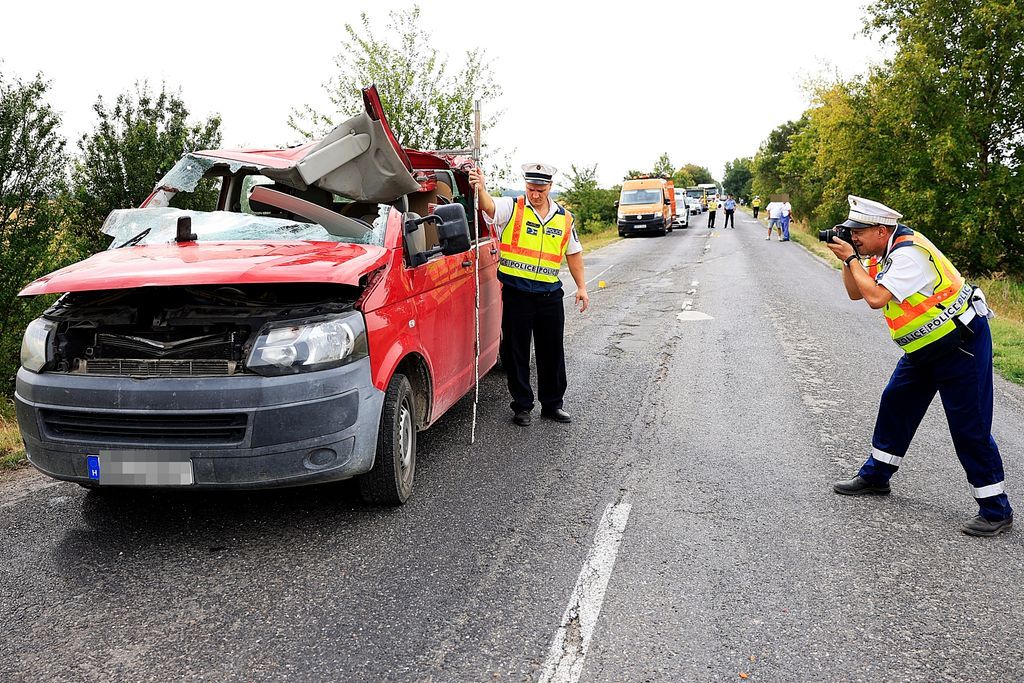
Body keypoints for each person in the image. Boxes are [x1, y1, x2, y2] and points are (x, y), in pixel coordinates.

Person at [826, 195, 1013, 537]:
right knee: (896, 402)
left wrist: (852, 257)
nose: (854, 239)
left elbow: (875, 299)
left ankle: (995, 508)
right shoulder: (877, 252)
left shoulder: (909, 255)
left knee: (968, 426)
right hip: (925, 348)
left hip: (960, 345)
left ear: (881, 230)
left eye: (858, 233)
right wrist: (847, 260)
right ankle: (877, 475)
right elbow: (856, 292)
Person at [468, 163, 589, 427]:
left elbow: (573, 254)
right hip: (517, 294)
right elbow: (488, 206)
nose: (535, 194)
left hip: (549, 296)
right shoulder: (513, 207)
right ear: (526, 186)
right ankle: (522, 406)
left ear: (550, 188)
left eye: (540, 190)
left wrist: (581, 287)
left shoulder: (564, 218)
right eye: (531, 189)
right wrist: (481, 187)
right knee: (516, 352)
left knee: (552, 352)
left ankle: (552, 405)